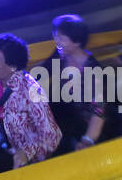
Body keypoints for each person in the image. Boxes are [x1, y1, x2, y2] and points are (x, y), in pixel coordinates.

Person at [0, 34, 62, 180]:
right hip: (1, 135)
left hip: (19, 154)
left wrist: (26, 152)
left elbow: (52, 137)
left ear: (12, 66)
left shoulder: (31, 92)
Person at [44, 15, 109, 154]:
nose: (56, 41)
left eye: (61, 38)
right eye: (55, 36)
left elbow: (98, 112)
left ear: (77, 42)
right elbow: (39, 74)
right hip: (65, 111)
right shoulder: (61, 54)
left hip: (84, 122)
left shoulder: (93, 71)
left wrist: (88, 140)